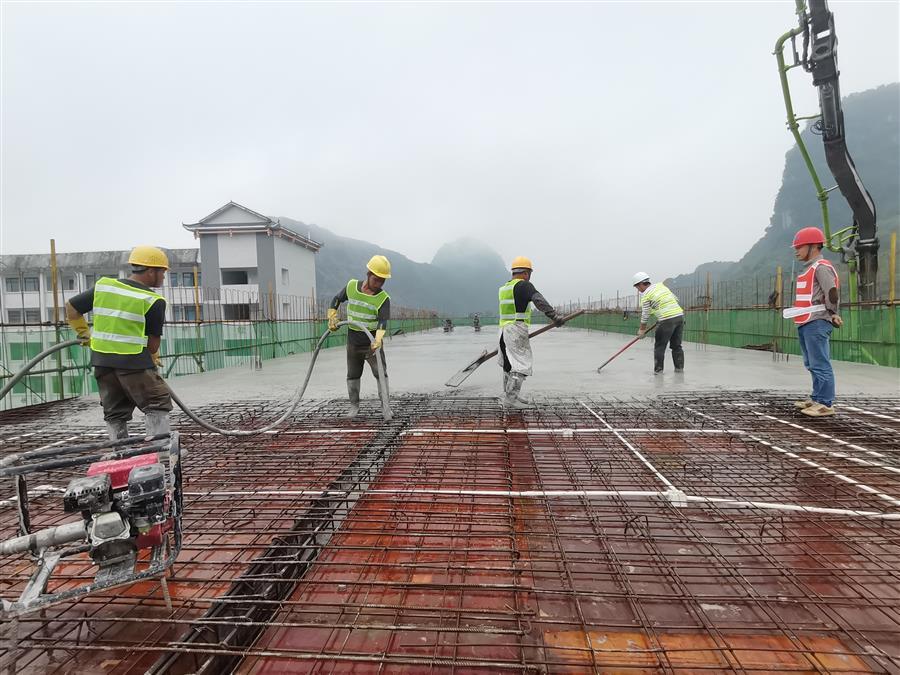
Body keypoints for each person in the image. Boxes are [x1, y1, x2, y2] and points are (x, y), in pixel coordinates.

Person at [65, 246, 172, 441]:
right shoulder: (153, 300)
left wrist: (85, 334)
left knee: (115, 412)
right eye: (162, 272)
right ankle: (160, 452)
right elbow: (152, 346)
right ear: (151, 271)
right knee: (157, 403)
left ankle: (120, 452)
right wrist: (153, 356)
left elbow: (71, 308)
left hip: (102, 362)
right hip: (134, 363)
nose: (163, 277)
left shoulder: (105, 286)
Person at [327, 255, 391, 418]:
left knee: (381, 374)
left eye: (382, 281)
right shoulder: (351, 287)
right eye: (376, 279)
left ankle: (386, 407)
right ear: (368, 274)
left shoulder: (383, 298)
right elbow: (336, 299)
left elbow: (383, 321)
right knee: (353, 375)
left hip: (372, 344)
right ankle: (354, 406)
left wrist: (378, 340)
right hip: (353, 343)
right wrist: (332, 315)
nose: (379, 284)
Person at [498, 257, 564, 409]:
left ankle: (510, 395)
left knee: (508, 364)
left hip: (503, 331)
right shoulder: (524, 285)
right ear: (526, 273)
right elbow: (538, 300)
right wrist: (554, 316)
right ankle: (510, 400)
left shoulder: (504, 288)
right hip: (516, 330)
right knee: (521, 364)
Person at [790, 227, 842, 417]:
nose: (796, 251)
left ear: (813, 246)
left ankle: (825, 403)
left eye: (800, 247)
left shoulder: (821, 267)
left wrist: (833, 313)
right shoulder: (809, 268)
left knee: (820, 362)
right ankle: (817, 397)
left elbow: (832, 293)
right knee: (811, 363)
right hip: (806, 321)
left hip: (818, 321)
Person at [632, 272, 684, 374]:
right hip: (679, 316)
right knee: (677, 346)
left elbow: (645, 315)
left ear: (641, 284)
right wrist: (661, 315)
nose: (638, 290)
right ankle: (679, 370)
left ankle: (658, 372)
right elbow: (674, 299)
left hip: (666, 319)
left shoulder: (646, 295)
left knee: (660, 347)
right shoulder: (661, 286)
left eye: (637, 287)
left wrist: (642, 330)